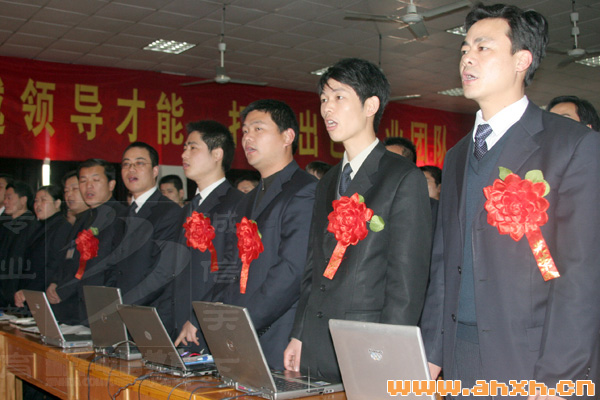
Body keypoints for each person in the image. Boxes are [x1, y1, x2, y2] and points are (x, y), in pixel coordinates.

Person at [420, 4, 600, 399]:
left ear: (522, 60)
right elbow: (444, 263)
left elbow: (581, 276)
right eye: (464, 48)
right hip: (460, 358)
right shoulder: (457, 155)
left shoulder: (571, 146)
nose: (467, 58)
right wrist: (431, 354)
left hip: (533, 362)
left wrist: (557, 379)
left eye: (482, 48)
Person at [284, 58, 432, 383]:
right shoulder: (327, 181)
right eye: (324, 99)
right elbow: (313, 267)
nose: (327, 108)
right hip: (316, 342)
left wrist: (388, 351)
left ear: (371, 106)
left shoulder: (401, 177)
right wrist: (299, 333)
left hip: (367, 343)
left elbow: (406, 283)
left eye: (339, 97)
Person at [211, 99, 317, 371]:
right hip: (240, 332)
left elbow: (292, 271)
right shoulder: (246, 201)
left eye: (258, 129)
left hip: (278, 335)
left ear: (287, 137)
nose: (248, 138)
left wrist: (244, 322)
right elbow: (232, 266)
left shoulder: (304, 190)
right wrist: (220, 317)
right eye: (245, 131)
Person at [173, 120, 243, 350]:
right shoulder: (188, 208)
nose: (184, 154)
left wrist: (198, 318)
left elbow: (231, 272)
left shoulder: (236, 204)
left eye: (193, 147)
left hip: (210, 328)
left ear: (217, 154)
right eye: (185, 147)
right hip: (180, 326)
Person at [105, 142, 182, 328]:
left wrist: (125, 305)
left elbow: (162, 272)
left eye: (139, 163)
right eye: (126, 164)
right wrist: (111, 301)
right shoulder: (122, 216)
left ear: (155, 171)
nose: (131, 169)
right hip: (122, 314)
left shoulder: (168, 211)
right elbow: (112, 265)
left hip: (153, 315)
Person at [47, 159, 126, 324]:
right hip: (76, 308)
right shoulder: (84, 218)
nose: (88, 186)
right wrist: (55, 282)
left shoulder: (122, 218)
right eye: (83, 181)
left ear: (111, 184)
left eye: (95, 180)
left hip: (104, 310)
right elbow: (70, 259)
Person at [14, 185, 71, 307]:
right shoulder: (43, 226)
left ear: (57, 203)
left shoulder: (62, 227)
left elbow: (54, 265)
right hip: (33, 293)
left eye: (43, 200)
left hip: (46, 295)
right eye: (36, 201)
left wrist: (30, 291)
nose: (38, 205)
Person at [0, 181, 38, 307]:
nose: (5, 202)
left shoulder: (32, 226)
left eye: (9, 198)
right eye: (5, 198)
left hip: (18, 293)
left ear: (23, 200)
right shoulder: (5, 225)